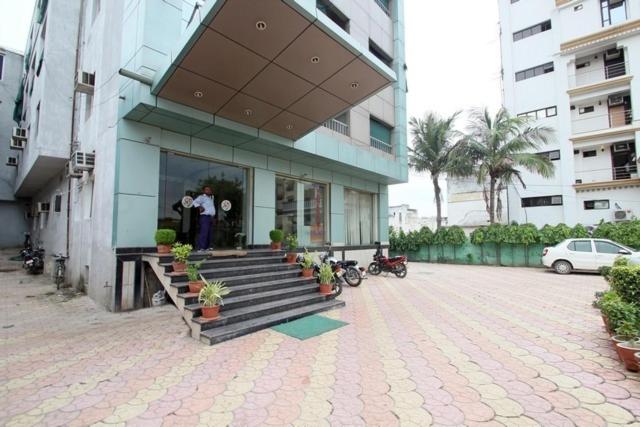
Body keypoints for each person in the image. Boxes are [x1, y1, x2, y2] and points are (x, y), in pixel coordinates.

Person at [192, 186, 216, 251]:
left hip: (211, 217)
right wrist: (200, 207)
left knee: (210, 233)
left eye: (209, 189)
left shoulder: (211, 198)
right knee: (204, 232)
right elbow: (194, 202)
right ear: (203, 191)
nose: (209, 191)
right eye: (207, 190)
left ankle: (208, 247)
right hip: (205, 217)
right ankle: (201, 248)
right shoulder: (202, 197)